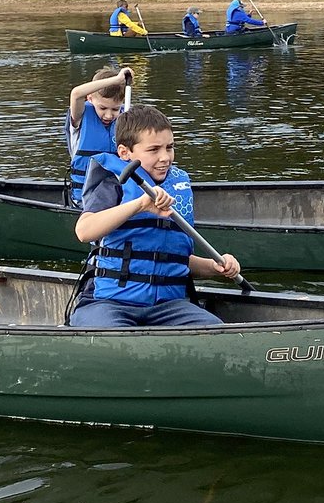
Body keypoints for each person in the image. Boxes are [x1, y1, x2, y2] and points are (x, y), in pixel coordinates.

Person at [69, 104, 242, 329]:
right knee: (114, 335)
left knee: (216, 331)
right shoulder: (113, 183)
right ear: (124, 153)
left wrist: (215, 266)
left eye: (169, 147)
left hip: (169, 307)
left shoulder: (177, 185)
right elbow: (84, 231)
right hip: (109, 303)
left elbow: (171, 257)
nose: (165, 157)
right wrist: (140, 205)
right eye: (153, 150)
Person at [67, 66, 133, 207]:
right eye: (102, 108)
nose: (109, 115)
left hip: (118, 198)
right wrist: (117, 79)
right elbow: (76, 93)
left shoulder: (126, 119)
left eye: (115, 109)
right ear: (90, 98)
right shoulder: (80, 117)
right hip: (84, 201)